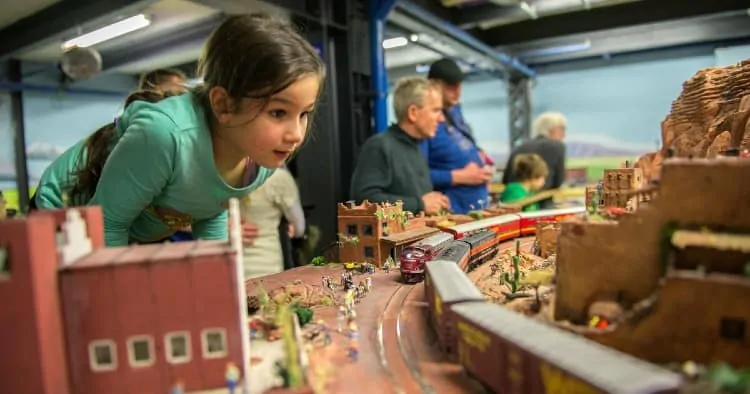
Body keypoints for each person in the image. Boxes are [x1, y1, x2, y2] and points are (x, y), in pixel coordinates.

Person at [32, 14, 326, 246]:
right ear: (223, 105)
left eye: (304, 114)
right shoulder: (166, 137)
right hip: (64, 216)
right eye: (278, 112)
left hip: (134, 230)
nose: (296, 134)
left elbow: (208, 212)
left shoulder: (260, 160)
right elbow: (106, 223)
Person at [350, 77, 450, 214]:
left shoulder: (416, 147)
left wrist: (434, 201)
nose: (442, 118)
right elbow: (363, 199)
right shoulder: (379, 146)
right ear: (413, 113)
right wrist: (419, 204)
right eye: (435, 110)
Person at [423, 58, 493, 214]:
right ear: (433, 85)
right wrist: (460, 176)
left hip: (476, 208)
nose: (458, 91)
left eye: (460, 85)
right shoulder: (426, 125)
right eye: (451, 86)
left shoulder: (454, 113)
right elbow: (416, 176)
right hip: (452, 214)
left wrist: (479, 158)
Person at [240, 165, 305, 278]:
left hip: (228, 265)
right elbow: (299, 228)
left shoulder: (222, 177)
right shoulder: (279, 178)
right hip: (267, 266)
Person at [502, 111, 567, 209]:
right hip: (541, 203)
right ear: (552, 129)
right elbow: (558, 182)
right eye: (562, 129)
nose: (563, 135)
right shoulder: (558, 146)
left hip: (512, 203)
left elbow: (506, 179)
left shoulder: (519, 147)